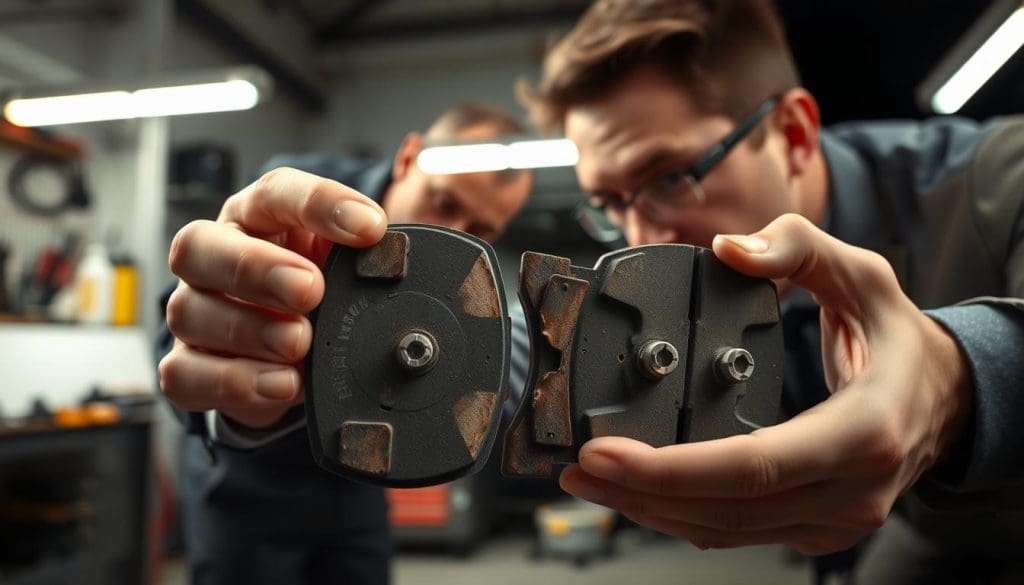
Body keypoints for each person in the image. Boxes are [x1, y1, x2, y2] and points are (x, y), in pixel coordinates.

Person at [520, 0, 1024, 583]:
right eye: (611, 203)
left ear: (794, 132)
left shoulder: (1001, 176)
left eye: (669, 178)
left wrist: (952, 383)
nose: (643, 237)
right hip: (933, 530)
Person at [158, 102, 533, 584]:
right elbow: (177, 334)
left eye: (481, 230)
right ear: (408, 157)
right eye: (444, 204)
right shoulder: (295, 203)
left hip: (360, 482)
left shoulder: (464, 283)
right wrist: (229, 399)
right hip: (247, 489)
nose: (452, 234)